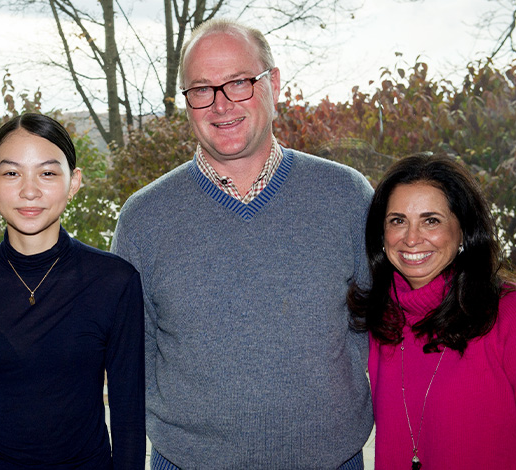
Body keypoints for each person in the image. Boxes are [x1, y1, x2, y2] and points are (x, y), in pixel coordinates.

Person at [111, 18, 373, 470]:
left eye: (238, 83)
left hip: (330, 460)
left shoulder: (347, 196)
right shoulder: (144, 218)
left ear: (273, 84)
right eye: (201, 90)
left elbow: (385, 319)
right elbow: (134, 352)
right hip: (186, 462)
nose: (220, 104)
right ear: (186, 104)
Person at [0, 113, 145, 469]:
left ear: (73, 182)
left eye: (47, 173)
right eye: (12, 173)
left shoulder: (113, 281)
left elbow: (129, 417)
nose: (29, 191)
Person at [348, 154, 516, 469]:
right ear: (381, 235)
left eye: (431, 220)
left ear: (463, 230)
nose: (411, 238)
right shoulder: (382, 322)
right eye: (398, 220)